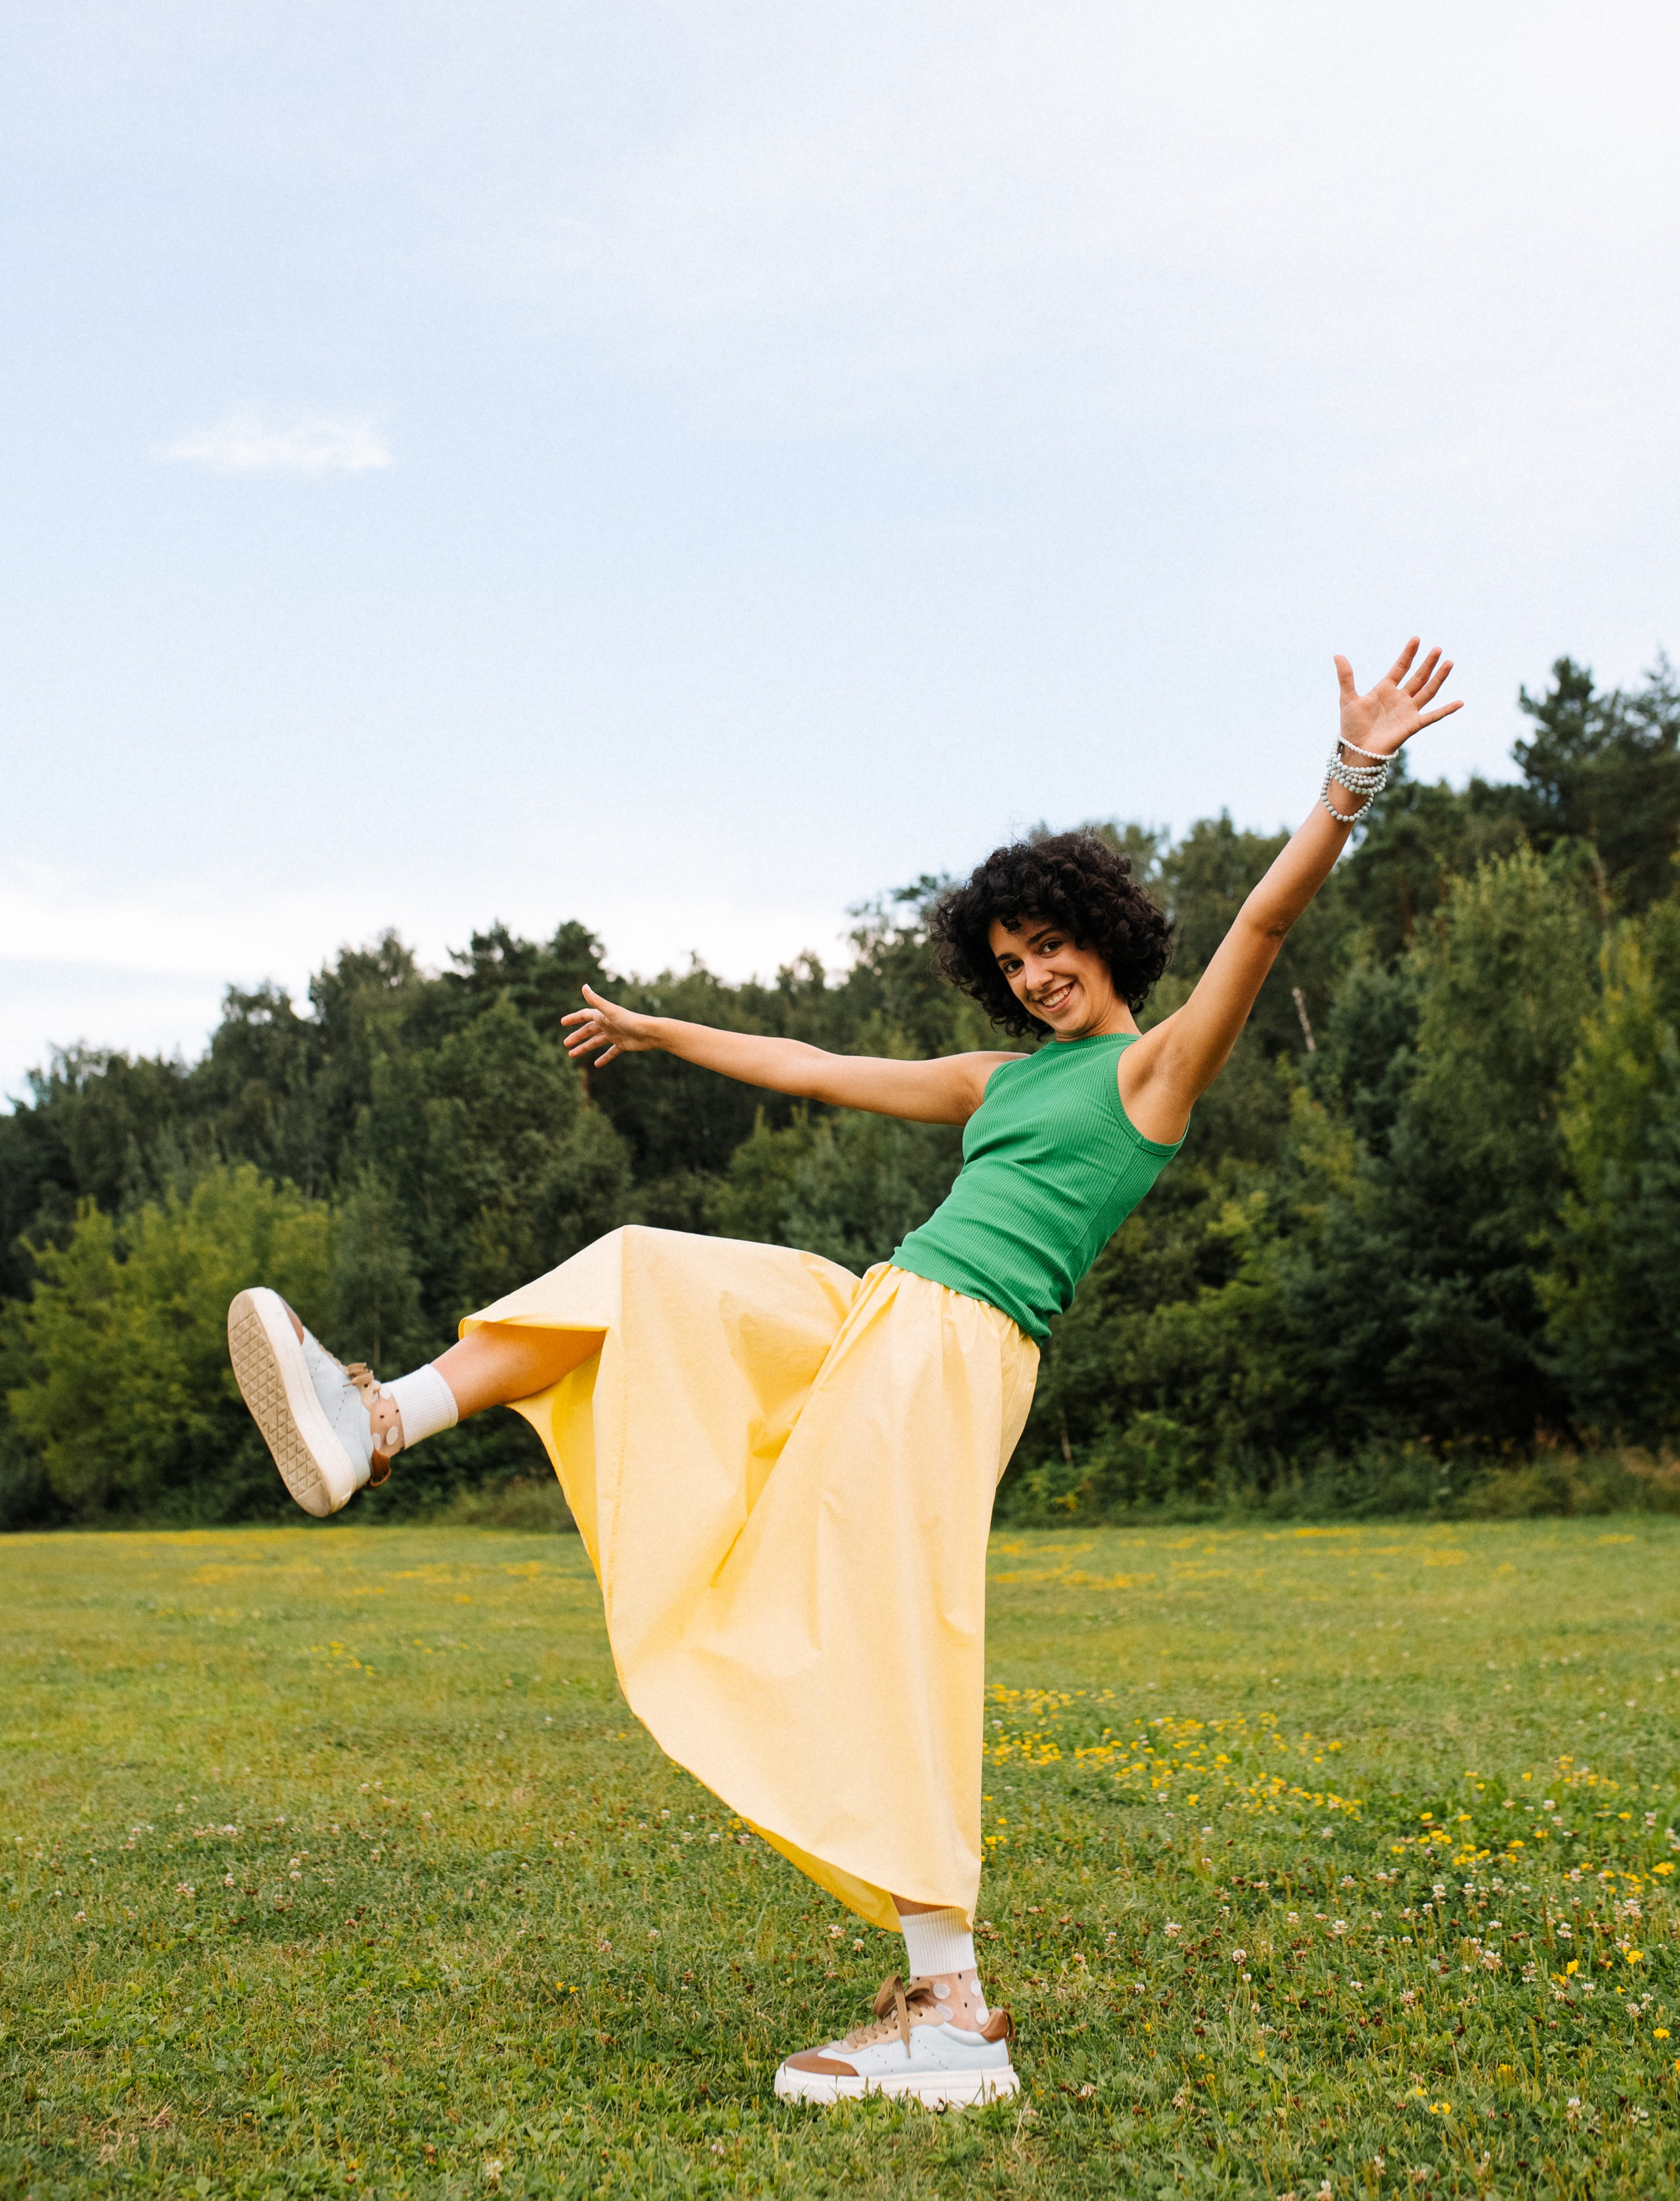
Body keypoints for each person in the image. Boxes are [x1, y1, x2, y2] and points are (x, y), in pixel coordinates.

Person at [228, 640, 1459, 2109]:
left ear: (1105, 931)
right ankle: (379, 1420)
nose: (1031, 973)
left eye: (1047, 944)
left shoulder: (1153, 1072)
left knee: (882, 1628)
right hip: (878, 1305)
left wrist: (1350, 777)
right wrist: (652, 1027)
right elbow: (809, 1064)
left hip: (955, 1347)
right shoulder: (998, 1081)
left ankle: (951, 2010)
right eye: (1005, 961)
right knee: (640, 1269)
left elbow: (1260, 925)